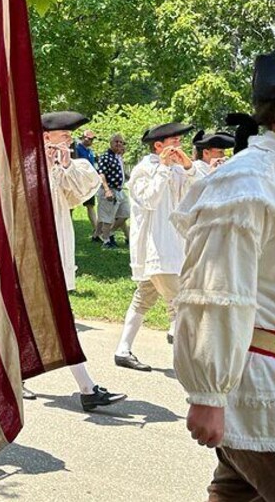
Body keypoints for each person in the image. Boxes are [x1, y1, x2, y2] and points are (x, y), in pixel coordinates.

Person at [172, 52, 275, 501]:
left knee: (234, 494)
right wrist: (208, 394)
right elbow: (213, 291)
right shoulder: (247, 182)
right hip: (254, 381)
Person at [42, 112, 127, 411]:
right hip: (35, 249)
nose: (69, 141)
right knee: (52, 317)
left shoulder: (62, 164)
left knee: (48, 316)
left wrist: (63, 164)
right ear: (45, 137)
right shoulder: (26, 162)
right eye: (63, 136)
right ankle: (87, 388)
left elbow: (76, 196)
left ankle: (85, 387)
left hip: (56, 242)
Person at [114, 122, 206, 371]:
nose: (179, 146)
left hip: (177, 245)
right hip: (157, 246)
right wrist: (164, 168)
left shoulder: (179, 168)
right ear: (158, 146)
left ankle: (122, 350)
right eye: (175, 142)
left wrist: (187, 166)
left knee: (144, 298)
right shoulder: (144, 169)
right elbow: (149, 200)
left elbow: (200, 189)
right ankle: (187, 361)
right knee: (180, 302)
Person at [96, 133, 130, 249]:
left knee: (126, 213)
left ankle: (110, 232)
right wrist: (107, 190)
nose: (119, 144)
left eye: (121, 142)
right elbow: (101, 174)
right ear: (111, 143)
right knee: (107, 218)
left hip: (120, 190)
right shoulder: (105, 156)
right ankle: (106, 242)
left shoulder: (118, 157)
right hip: (109, 190)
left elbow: (121, 173)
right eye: (116, 141)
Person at [75, 129, 100, 240]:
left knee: (90, 206)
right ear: (82, 137)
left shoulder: (90, 152)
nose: (90, 141)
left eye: (92, 139)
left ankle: (96, 230)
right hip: (78, 181)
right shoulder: (76, 149)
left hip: (88, 182)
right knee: (71, 206)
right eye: (88, 138)